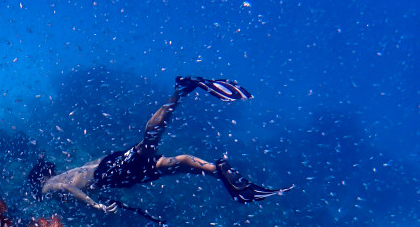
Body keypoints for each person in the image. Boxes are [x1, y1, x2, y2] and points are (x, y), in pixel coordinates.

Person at [29, 76, 291, 213]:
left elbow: (66, 186)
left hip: (111, 172)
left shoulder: (48, 186)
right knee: (178, 164)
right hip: (114, 170)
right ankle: (219, 170)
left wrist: (94, 205)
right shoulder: (67, 172)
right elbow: (87, 170)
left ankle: (178, 91)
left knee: (149, 143)